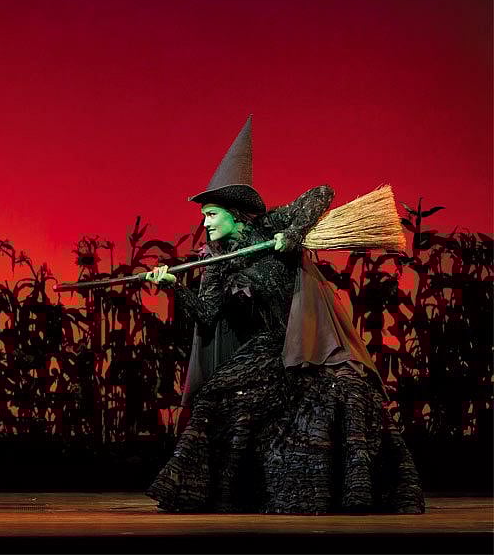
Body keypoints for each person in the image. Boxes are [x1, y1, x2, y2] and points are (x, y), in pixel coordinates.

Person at [143, 118, 424, 514]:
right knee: (220, 394)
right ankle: (240, 491)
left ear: (236, 214)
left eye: (211, 214)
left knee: (346, 390)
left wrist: (292, 234)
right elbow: (206, 316)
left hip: (302, 340)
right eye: (204, 216)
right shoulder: (217, 265)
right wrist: (173, 285)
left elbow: (322, 192)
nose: (205, 223)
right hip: (262, 349)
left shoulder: (269, 226)